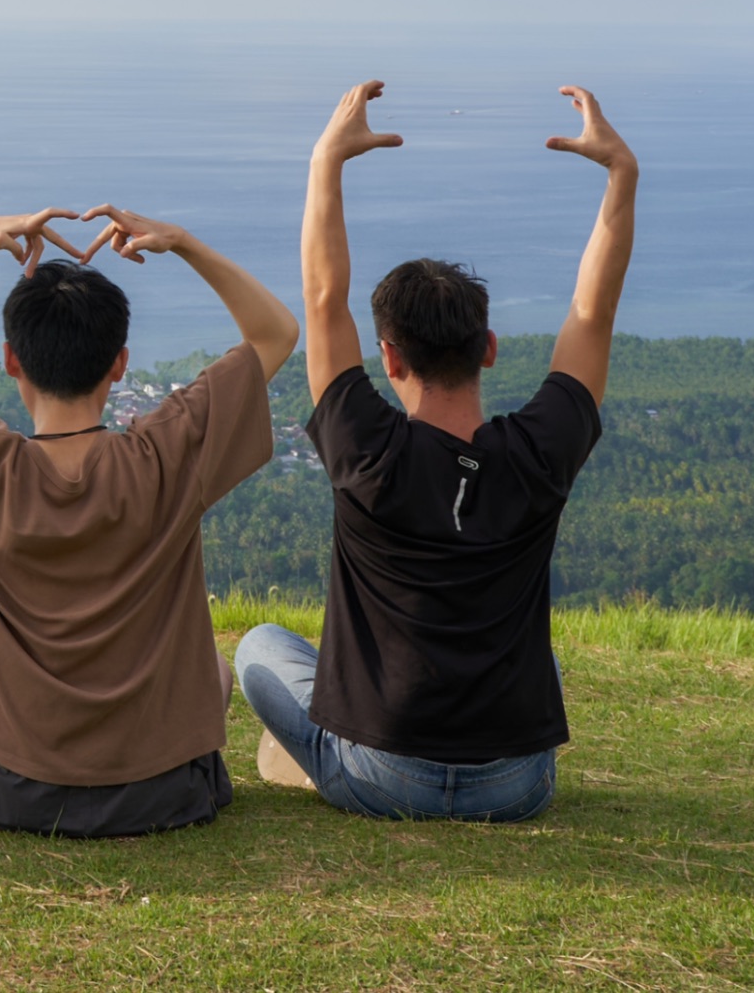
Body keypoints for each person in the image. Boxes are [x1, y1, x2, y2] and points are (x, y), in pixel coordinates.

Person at [234, 80, 638, 823]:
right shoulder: (539, 451)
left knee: (259, 646)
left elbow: (323, 300)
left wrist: (327, 160)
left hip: (382, 774)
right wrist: (622, 176)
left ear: (389, 359)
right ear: (487, 349)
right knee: (531, 653)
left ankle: (311, 756)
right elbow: (593, 312)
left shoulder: (366, 449)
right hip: (515, 784)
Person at [0, 202, 298, 837]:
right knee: (216, 671)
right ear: (119, 363)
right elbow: (275, 333)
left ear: (12, 361)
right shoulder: (164, 456)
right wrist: (182, 243)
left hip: (4, 788)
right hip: (164, 787)